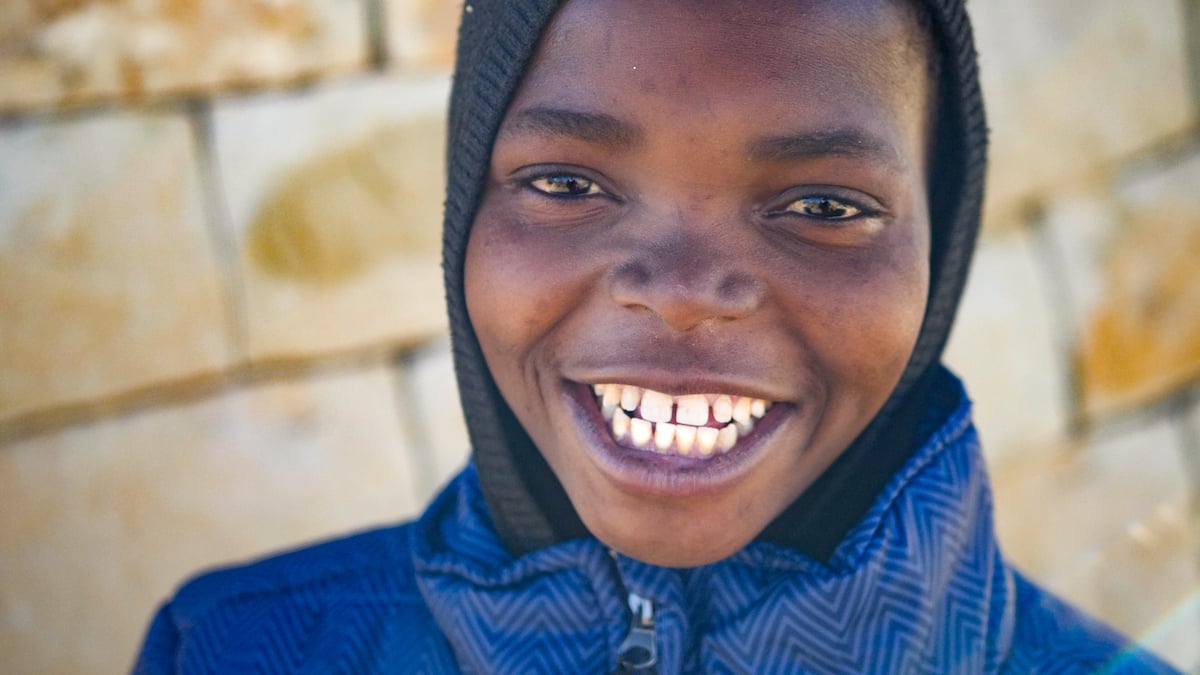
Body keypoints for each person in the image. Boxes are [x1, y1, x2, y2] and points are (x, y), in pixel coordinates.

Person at [134, 0, 1179, 672]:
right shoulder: (238, 647)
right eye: (567, 184)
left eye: (820, 206)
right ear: (466, 215)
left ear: (940, 245)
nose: (682, 296)